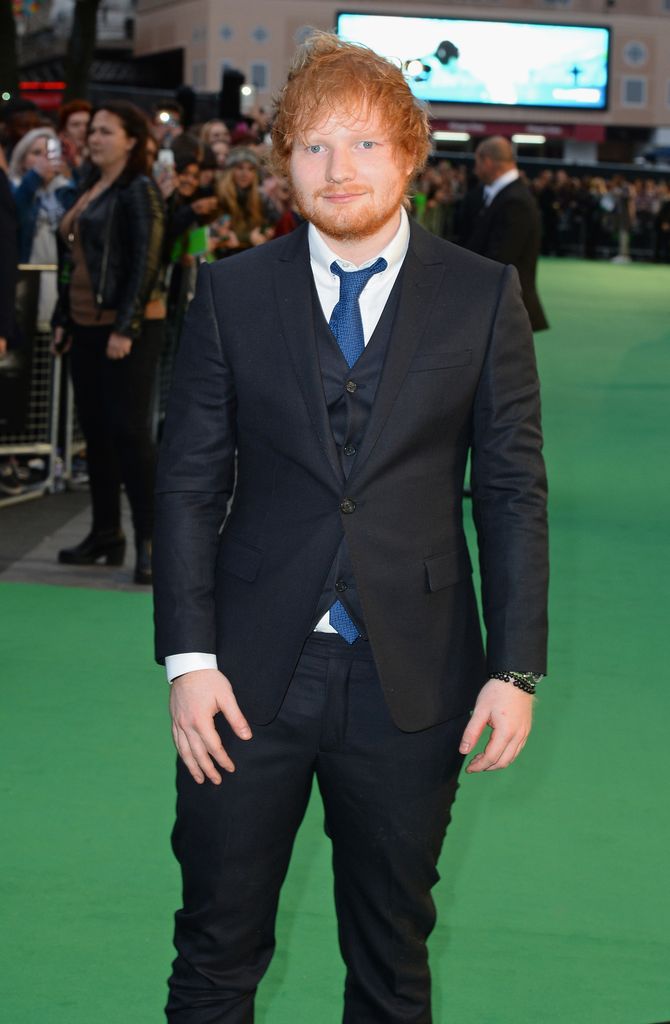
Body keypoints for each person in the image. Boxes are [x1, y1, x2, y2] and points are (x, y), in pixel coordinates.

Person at [154, 32, 548, 1023]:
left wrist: (514, 668)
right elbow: (189, 484)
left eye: (366, 145)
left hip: (413, 680)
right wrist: (187, 660)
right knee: (214, 944)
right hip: (242, 679)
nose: (339, 170)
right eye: (315, 147)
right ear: (284, 161)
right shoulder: (232, 294)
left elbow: (508, 488)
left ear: (411, 156)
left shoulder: (480, 295)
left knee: (389, 955)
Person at [53, 101, 164, 584]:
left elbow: (146, 260)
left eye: (105, 131)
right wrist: (62, 316)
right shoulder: (88, 186)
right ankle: (105, 534)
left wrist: (126, 326)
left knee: (130, 432)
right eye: (91, 131)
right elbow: (73, 264)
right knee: (95, 432)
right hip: (84, 324)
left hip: (126, 327)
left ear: (132, 140)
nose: (93, 138)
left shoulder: (139, 190)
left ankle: (152, 541)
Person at [465, 136, 548, 332]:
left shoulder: (514, 201)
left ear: (487, 161)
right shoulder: (508, 195)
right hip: (498, 305)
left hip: (504, 308)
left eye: (477, 162)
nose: (475, 169)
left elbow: (501, 258)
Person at [8, 127, 75, 332]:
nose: (43, 159)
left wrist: (74, 169)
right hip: (24, 276)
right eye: (36, 153)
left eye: (49, 153)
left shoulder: (67, 189)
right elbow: (15, 217)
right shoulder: (14, 187)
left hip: (58, 277)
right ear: (22, 157)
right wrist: (33, 178)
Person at [211, 147, 277, 256]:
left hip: (252, 256)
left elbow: (273, 221)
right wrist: (249, 237)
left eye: (251, 169)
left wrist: (265, 232)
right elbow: (215, 233)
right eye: (240, 168)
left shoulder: (261, 197)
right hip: (223, 257)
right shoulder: (218, 196)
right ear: (230, 171)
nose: (245, 173)